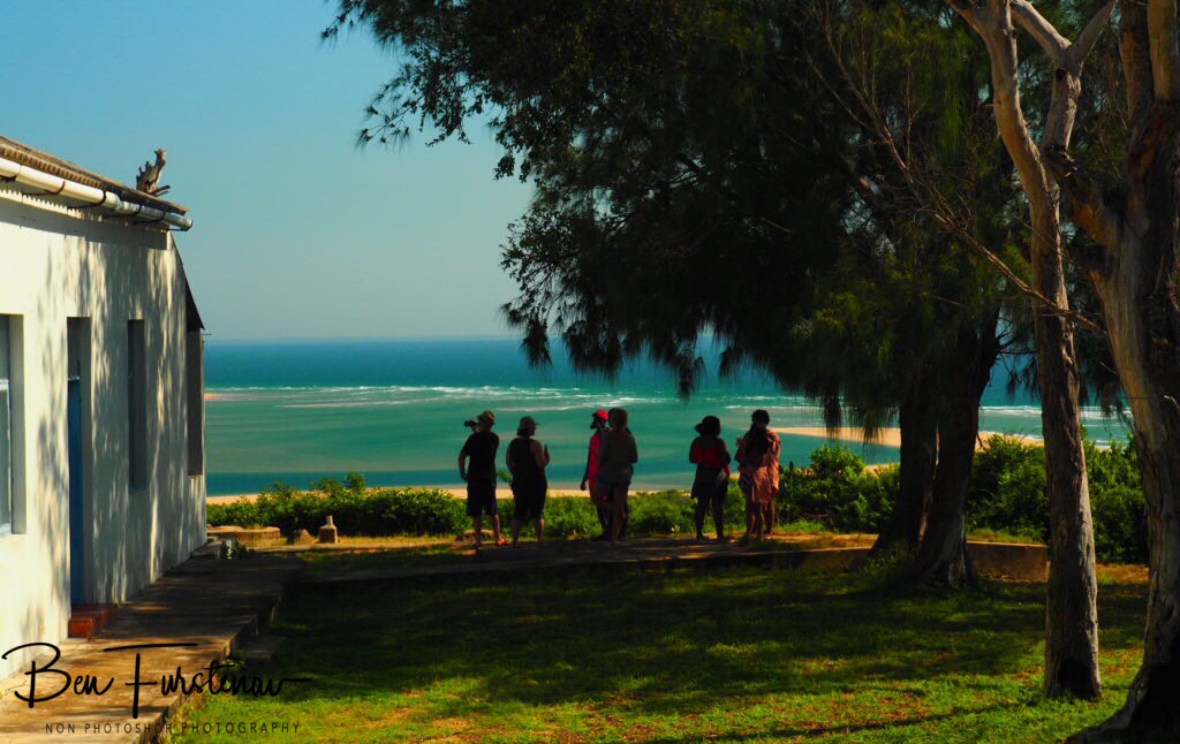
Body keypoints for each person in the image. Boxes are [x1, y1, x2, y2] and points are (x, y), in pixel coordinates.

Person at [458, 410, 505, 547]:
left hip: (474, 478)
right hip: (488, 477)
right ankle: (497, 538)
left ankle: (478, 540)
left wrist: (462, 472)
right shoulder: (494, 439)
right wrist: (476, 429)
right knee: (493, 511)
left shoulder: (474, 439)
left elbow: (462, 455)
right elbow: (483, 441)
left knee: (476, 511)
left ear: (482, 423)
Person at [735, 409, 781, 540]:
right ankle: (758, 530)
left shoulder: (766, 436)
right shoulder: (764, 435)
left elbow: (743, 455)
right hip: (762, 470)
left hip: (764, 470)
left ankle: (765, 529)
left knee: (762, 501)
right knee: (758, 503)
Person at [598, 408, 638, 546]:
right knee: (620, 506)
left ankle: (616, 514)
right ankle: (614, 539)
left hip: (608, 474)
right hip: (623, 474)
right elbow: (634, 458)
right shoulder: (629, 437)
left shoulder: (608, 436)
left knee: (597, 499)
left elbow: (603, 457)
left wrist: (602, 464)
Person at [507, 415, 550, 545]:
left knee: (519, 510)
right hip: (536, 482)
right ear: (529, 428)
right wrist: (547, 458)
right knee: (537, 511)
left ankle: (514, 540)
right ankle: (540, 539)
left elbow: (509, 462)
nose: (535, 429)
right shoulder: (535, 444)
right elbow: (540, 463)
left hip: (519, 481)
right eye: (534, 427)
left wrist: (516, 474)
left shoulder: (513, 443)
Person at [689, 415, 731, 542]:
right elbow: (727, 459)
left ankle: (699, 533)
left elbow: (692, 459)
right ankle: (720, 534)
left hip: (702, 474)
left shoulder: (696, 441)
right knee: (718, 506)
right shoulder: (718, 442)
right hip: (717, 476)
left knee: (702, 504)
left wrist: (704, 461)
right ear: (715, 428)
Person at [579, 409, 611, 539]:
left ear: (604, 421)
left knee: (605, 503)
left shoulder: (608, 433)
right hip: (593, 474)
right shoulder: (593, 438)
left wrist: (601, 429)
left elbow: (607, 445)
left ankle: (611, 529)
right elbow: (590, 457)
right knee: (598, 503)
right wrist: (584, 478)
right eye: (595, 419)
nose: (595, 422)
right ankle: (605, 530)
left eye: (598, 419)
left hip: (604, 475)